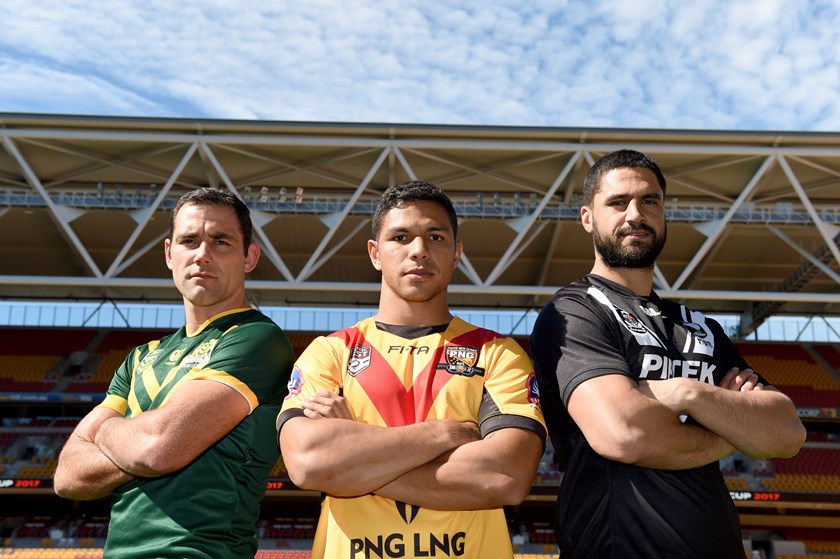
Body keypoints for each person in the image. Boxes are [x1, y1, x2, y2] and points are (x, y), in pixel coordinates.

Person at [529, 149, 807, 559]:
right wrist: (732, 428)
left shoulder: (699, 326)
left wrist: (687, 393)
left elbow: (787, 434)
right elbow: (624, 433)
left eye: (650, 201)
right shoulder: (574, 311)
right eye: (618, 202)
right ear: (588, 217)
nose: (635, 214)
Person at [277, 180, 546, 559]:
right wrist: (446, 434)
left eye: (436, 237)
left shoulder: (497, 353)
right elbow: (308, 463)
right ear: (375, 253)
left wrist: (353, 461)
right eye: (401, 237)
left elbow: (506, 476)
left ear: (456, 253)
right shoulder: (330, 352)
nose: (419, 250)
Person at [54, 187, 295, 558]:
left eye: (221, 242)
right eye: (189, 240)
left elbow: (159, 449)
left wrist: (102, 431)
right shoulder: (140, 357)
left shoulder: (259, 340)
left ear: (249, 257)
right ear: (169, 253)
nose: (202, 254)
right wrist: (146, 441)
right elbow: (68, 476)